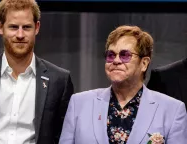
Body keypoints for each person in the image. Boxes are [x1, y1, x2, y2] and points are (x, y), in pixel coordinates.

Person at [0, 0, 74, 144]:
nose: (20, 34)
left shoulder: (59, 80)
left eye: (27, 27)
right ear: (0, 27)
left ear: (37, 27)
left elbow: (63, 137)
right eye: (13, 27)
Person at [59, 25, 187, 144]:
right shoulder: (79, 103)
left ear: (144, 63)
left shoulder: (172, 110)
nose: (116, 61)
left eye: (125, 55)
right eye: (111, 55)